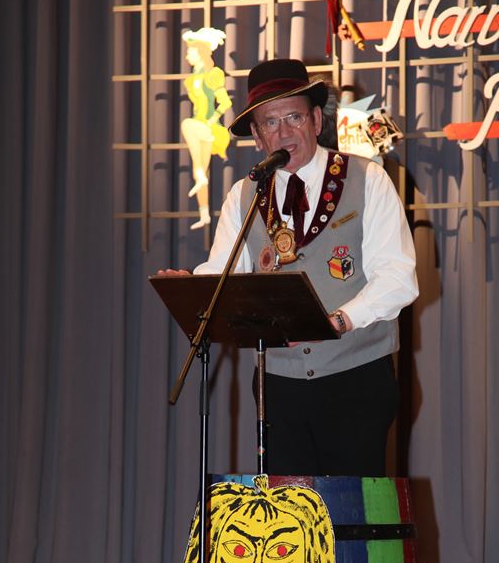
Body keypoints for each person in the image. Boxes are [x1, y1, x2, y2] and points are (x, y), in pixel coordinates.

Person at [163, 58, 418, 477]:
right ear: (257, 136)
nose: (283, 132)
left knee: (350, 509)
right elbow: (224, 271)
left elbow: (397, 277)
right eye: (270, 122)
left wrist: (339, 320)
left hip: (355, 378)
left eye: (293, 117)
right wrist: (191, 289)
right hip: (278, 386)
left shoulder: (367, 179)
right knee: (287, 510)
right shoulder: (244, 195)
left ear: (316, 120)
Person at [181, 28, 232, 230]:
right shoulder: (192, 79)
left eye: (190, 51)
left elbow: (225, 102)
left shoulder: (212, 75)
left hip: (211, 130)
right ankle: (204, 214)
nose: (187, 55)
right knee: (200, 174)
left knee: (186, 124)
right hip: (199, 128)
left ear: (200, 52)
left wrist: (212, 120)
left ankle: (199, 172)